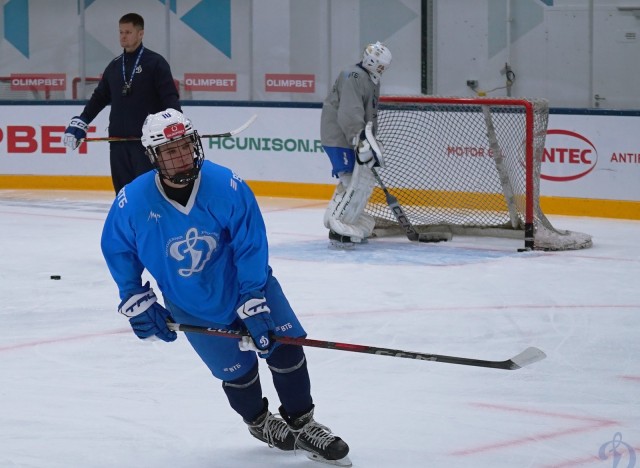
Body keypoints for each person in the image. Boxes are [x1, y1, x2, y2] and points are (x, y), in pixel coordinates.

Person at [100, 108, 351, 467]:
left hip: (251, 289)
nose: (181, 156)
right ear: (154, 156)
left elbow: (251, 245)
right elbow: (118, 248)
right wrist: (135, 296)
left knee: (286, 349)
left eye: (185, 146)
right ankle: (260, 422)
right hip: (192, 304)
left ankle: (304, 423)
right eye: (170, 151)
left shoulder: (227, 185)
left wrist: (252, 299)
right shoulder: (132, 201)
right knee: (238, 373)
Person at [63, 13, 181, 194]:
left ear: (140, 34)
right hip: (117, 144)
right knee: (123, 195)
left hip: (147, 145)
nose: (123, 36)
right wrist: (83, 120)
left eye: (128, 32)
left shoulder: (156, 63)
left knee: (149, 195)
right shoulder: (115, 66)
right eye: (120, 32)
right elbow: (99, 97)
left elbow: (170, 98)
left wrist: (176, 124)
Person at [320, 41, 392, 249]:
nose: (382, 70)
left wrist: (368, 138)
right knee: (350, 180)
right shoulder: (353, 75)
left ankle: (344, 220)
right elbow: (349, 112)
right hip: (341, 138)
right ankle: (338, 228)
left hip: (351, 137)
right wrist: (359, 138)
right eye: (380, 65)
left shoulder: (368, 78)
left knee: (354, 182)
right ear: (371, 61)